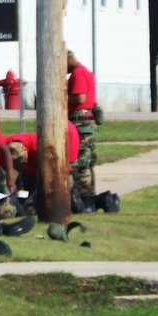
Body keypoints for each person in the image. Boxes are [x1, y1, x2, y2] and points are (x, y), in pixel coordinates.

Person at [67, 49, 98, 209]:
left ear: (68, 59)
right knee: (88, 161)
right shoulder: (86, 71)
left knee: (81, 163)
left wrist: (59, 95)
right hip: (87, 121)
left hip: (80, 122)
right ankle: (90, 198)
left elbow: (80, 98)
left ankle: (84, 200)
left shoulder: (78, 73)